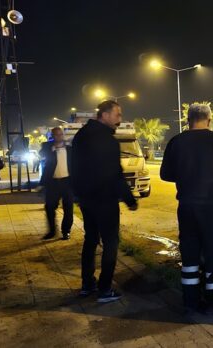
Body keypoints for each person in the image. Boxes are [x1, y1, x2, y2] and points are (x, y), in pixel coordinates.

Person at [160, 103, 213, 312]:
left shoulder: (176, 141)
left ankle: (190, 300)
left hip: (186, 206)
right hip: (212, 207)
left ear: (187, 120)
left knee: (189, 254)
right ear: (209, 120)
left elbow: (165, 175)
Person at [71, 100, 138, 303]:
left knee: (90, 240)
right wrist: (129, 199)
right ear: (105, 114)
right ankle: (105, 288)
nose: (120, 119)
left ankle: (87, 284)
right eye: (117, 114)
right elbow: (115, 174)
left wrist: (78, 194)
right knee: (111, 243)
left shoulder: (81, 136)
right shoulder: (107, 140)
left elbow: (74, 167)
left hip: (86, 199)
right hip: (105, 200)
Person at [40, 127, 74, 240]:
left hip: (67, 182)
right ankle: (52, 231)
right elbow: (42, 153)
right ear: (52, 136)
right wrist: (53, 148)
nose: (59, 136)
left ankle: (66, 231)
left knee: (68, 208)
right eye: (56, 135)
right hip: (53, 183)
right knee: (49, 207)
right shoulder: (47, 147)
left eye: (60, 134)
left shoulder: (70, 148)